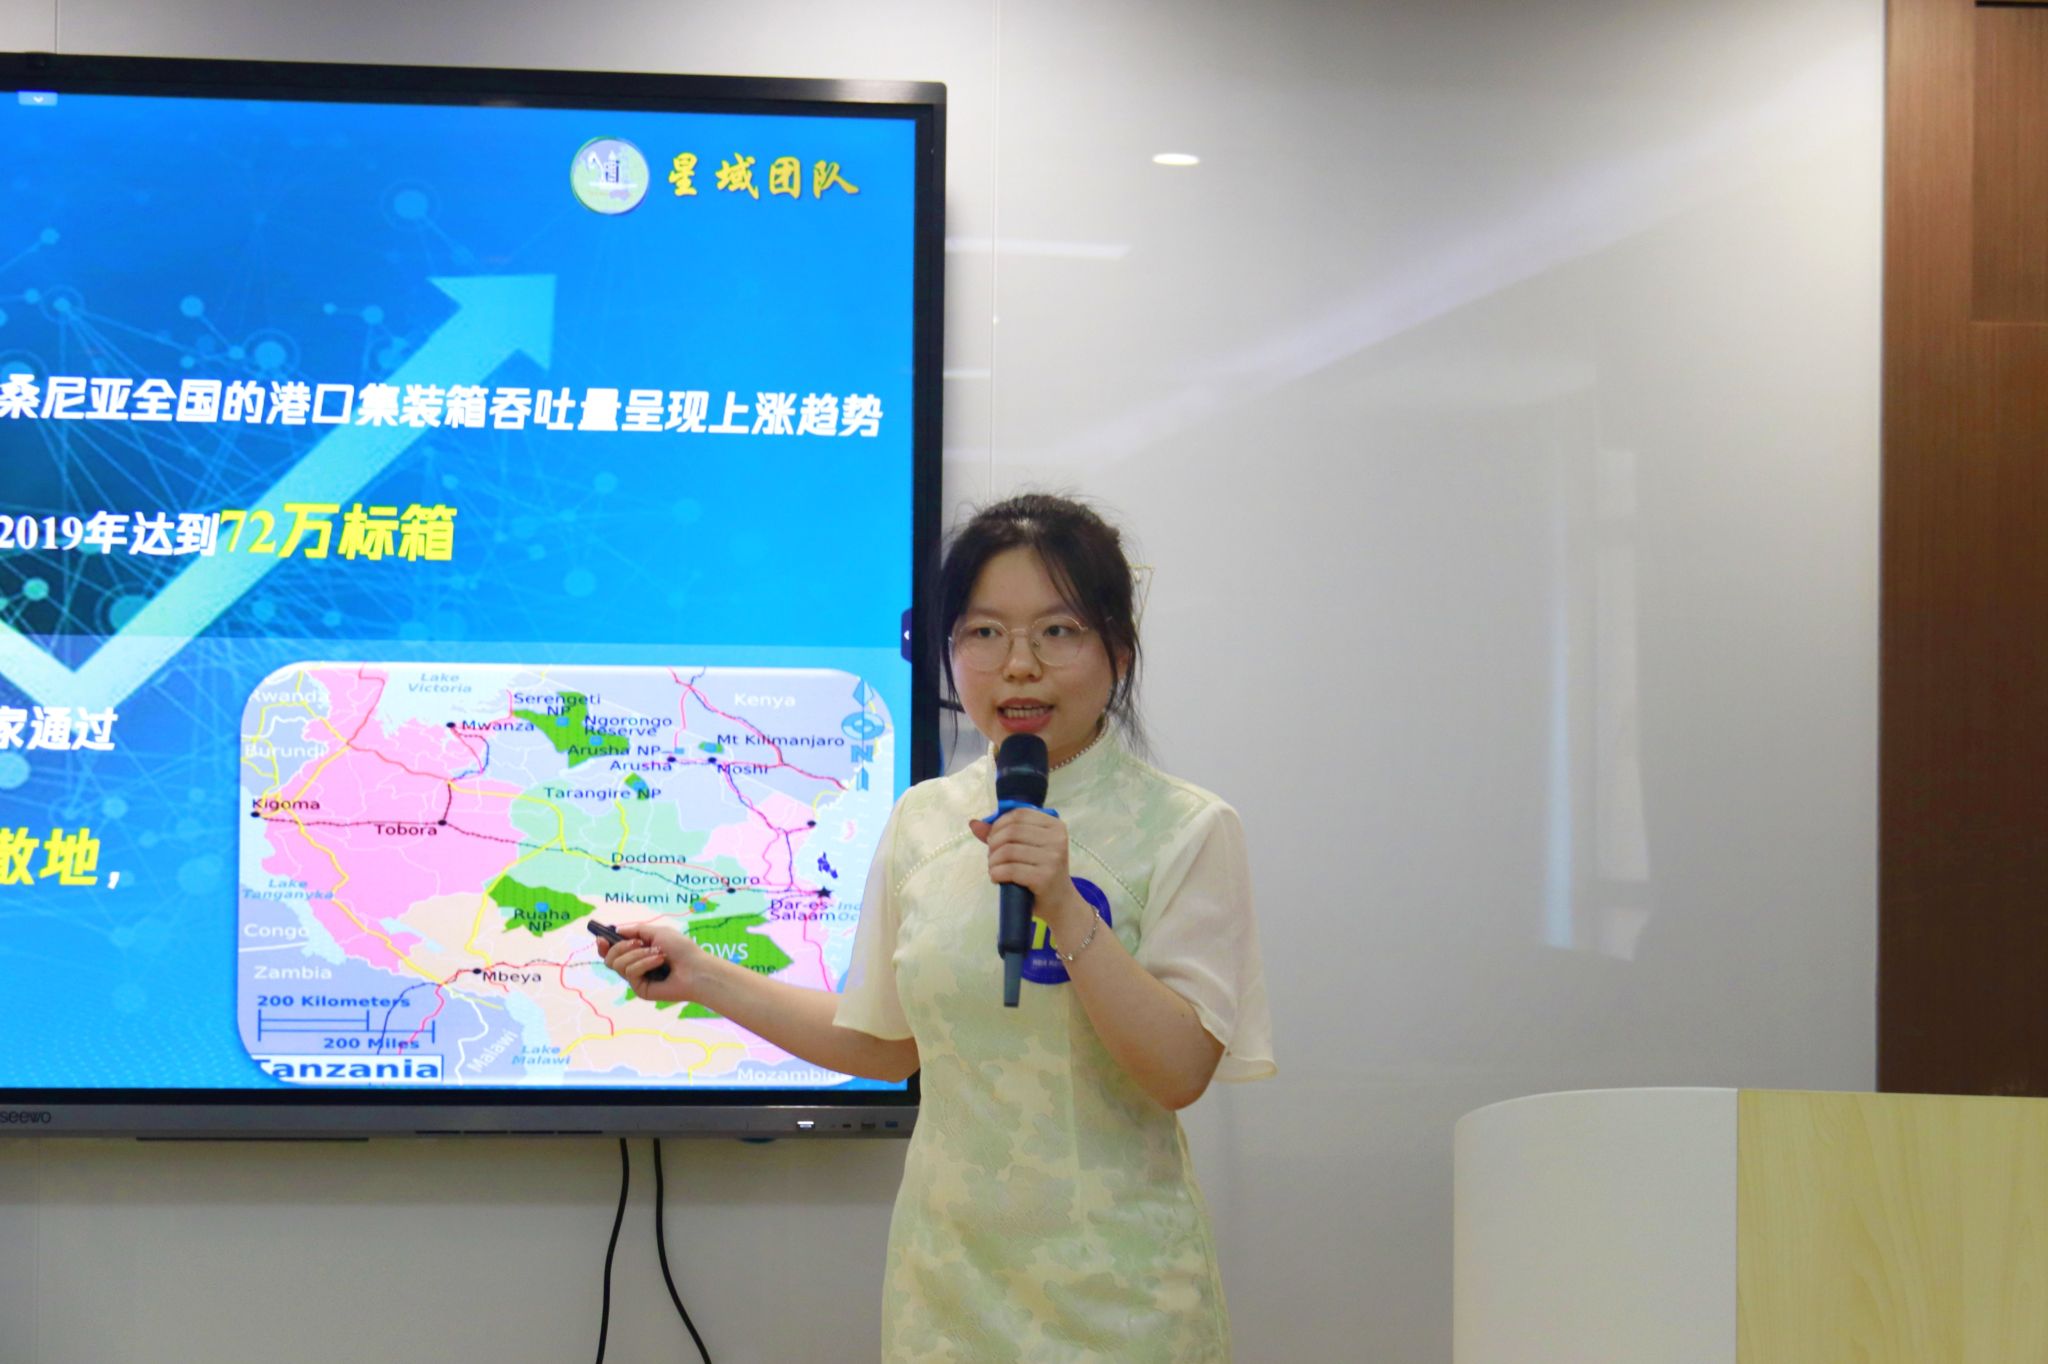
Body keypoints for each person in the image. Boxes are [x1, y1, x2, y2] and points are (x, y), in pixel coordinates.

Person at [601, 492, 1276, 1362]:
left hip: (1122, 1298)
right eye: (984, 633)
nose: (1018, 666)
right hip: (948, 1297)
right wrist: (701, 976)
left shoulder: (1186, 827)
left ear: (1118, 648)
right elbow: (884, 1046)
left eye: (1058, 631)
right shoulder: (925, 819)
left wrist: (1065, 907)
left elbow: (1179, 1071)